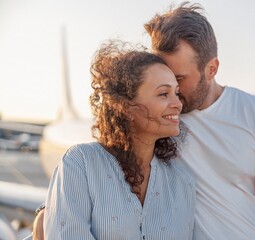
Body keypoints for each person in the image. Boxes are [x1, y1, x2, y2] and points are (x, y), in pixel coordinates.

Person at [144, 2, 255, 240]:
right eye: (164, 78)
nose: (172, 90)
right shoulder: (155, 117)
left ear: (211, 69)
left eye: (179, 78)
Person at [40, 41, 195, 239]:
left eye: (177, 93)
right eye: (164, 94)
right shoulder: (81, 163)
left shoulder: (182, 182)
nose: (177, 104)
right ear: (125, 106)